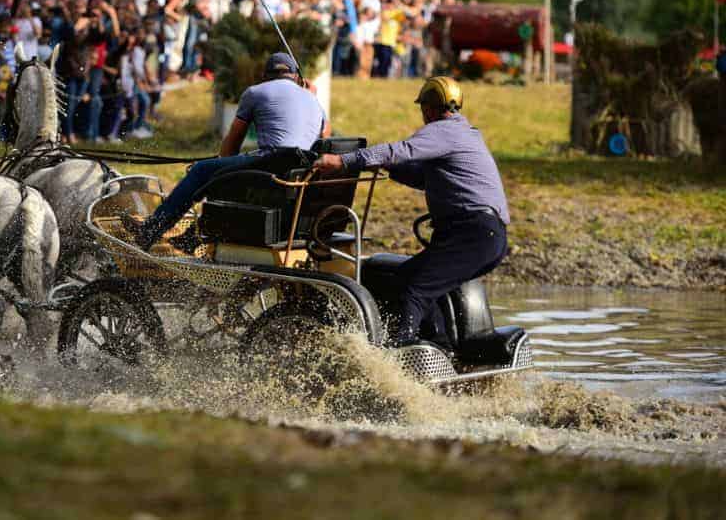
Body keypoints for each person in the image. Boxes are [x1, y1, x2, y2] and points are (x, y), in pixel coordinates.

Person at [313, 77, 510, 347]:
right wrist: (383, 166)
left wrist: (342, 161)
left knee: (414, 289)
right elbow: (424, 178)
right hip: (488, 235)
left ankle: (401, 358)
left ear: (428, 109)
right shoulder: (466, 133)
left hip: (472, 234)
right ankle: (441, 351)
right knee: (413, 280)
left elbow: (399, 151)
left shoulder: (441, 131)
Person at [123, 52, 330, 251]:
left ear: (265, 76)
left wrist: (218, 168)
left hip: (272, 167)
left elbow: (233, 142)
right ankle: (193, 236)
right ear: (296, 76)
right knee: (221, 171)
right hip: (301, 174)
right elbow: (324, 138)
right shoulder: (314, 100)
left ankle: (149, 232)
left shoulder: (255, 92)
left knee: (202, 171)